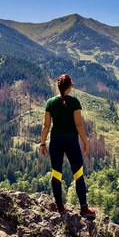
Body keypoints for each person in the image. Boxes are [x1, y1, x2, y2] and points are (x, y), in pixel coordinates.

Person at [40, 74, 96, 219]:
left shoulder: (50, 103)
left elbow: (46, 125)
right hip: (71, 142)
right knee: (78, 174)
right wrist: (85, 142)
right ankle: (84, 209)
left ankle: (60, 207)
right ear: (69, 86)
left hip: (56, 142)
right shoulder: (74, 102)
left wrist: (42, 143)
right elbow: (78, 124)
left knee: (56, 174)